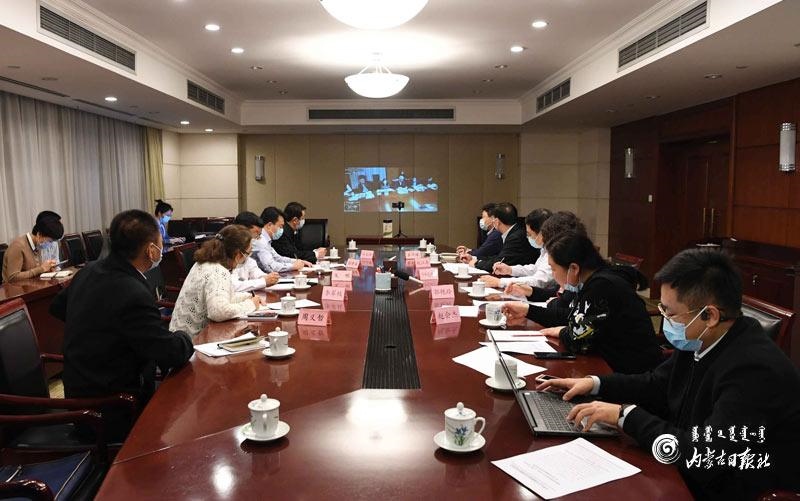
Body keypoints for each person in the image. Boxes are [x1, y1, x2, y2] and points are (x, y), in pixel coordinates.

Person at [540, 249, 800, 499]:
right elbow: (656, 384)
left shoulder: (754, 370)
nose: (665, 320)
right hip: (684, 468)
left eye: (670, 312)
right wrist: (594, 384)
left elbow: (705, 456)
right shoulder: (701, 338)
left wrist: (625, 416)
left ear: (710, 315)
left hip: (726, 486)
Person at [49, 210, 193, 439]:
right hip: (113, 406)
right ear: (151, 249)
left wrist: (99, 333)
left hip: (79, 390)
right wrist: (185, 336)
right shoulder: (132, 291)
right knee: (186, 419)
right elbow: (170, 353)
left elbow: (57, 307)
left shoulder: (89, 271)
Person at [503, 230, 663, 374]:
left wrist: (563, 331)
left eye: (553, 269)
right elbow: (570, 316)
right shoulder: (594, 280)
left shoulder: (602, 286)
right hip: (612, 364)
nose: (552, 274)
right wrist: (528, 310)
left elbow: (577, 340)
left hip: (631, 372)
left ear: (574, 268)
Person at [169, 225, 262, 336]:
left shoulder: (203, 263)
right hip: (192, 341)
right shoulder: (218, 271)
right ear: (238, 254)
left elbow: (221, 298)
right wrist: (250, 305)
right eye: (248, 253)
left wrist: (247, 297)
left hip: (179, 337)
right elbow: (218, 312)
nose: (248, 257)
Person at [503, 210, 587, 301]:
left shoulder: (588, 287)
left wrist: (501, 282)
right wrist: (530, 292)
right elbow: (557, 294)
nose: (552, 274)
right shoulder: (573, 283)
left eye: (553, 269)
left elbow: (541, 281)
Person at [481, 208, 554, 290]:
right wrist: (510, 269)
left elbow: (538, 281)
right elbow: (535, 269)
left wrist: (500, 282)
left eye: (529, 234)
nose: (528, 237)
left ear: (541, 234)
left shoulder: (554, 251)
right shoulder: (545, 248)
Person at [466, 202, 538, 272]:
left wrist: (476, 263)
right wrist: (475, 259)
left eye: (493, 219)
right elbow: (499, 257)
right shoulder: (514, 232)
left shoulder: (515, 237)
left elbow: (500, 261)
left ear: (497, 221)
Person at [2, 210, 64, 282]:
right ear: (39, 234)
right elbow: (12, 277)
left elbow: (36, 273)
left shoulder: (38, 245)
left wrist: (49, 268)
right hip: (14, 288)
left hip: (33, 286)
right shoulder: (18, 246)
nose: (50, 245)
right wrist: (41, 269)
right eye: (50, 241)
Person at [231, 212, 280, 292]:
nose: (257, 238)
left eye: (259, 234)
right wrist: (263, 281)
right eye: (256, 233)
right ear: (242, 230)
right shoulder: (226, 253)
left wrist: (268, 278)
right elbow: (234, 286)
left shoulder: (247, 255)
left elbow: (255, 272)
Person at [254, 207, 309, 273]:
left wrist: (297, 261)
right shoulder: (261, 240)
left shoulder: (266, 240)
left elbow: (278, 258)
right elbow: (271, 267)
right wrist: (293, 266)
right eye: (280, 226)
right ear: (269, 225)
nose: (282, 230)